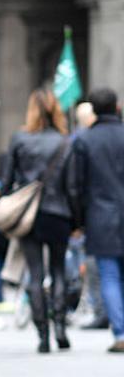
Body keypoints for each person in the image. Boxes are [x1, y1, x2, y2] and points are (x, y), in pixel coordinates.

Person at [2, 88, 79, 354]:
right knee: (58, 270)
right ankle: (60, 328)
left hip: (30, 215)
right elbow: (73, 187)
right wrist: (77, 219)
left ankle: (42, 335)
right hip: (59, 213)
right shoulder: (65, 141)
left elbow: (7, 180)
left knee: (35, 274)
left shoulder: (20, 139)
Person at [73, 88, 124, 352]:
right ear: (116, 106)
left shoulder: (84, 140)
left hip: (99, 217)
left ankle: (120, 332)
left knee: (110, 276)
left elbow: (77, 186)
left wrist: (78, 221)